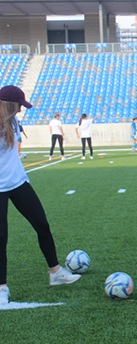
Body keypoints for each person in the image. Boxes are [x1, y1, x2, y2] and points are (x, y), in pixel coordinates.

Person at [0, 85, 81, 305]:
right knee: (1, 238)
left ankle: (55, 272)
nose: (20, 110)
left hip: (18, 183)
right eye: (19, 106)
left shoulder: (14, 122)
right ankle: (1, 288)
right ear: (9, 105)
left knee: (42, 225)